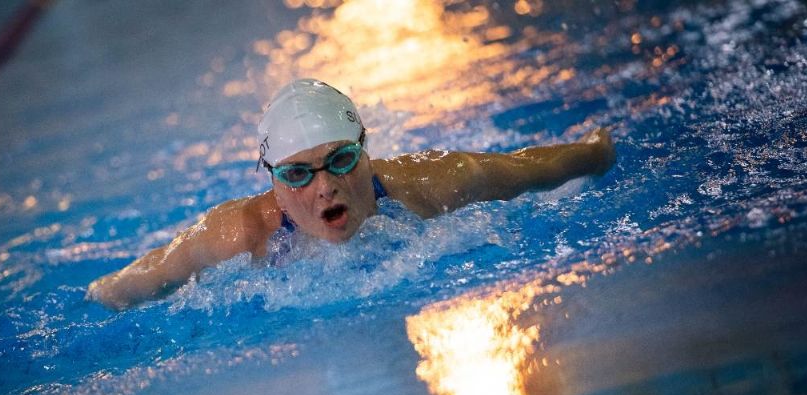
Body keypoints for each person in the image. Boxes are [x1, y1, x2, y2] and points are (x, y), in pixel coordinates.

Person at [88, 79, 616, 310]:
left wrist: (599, 152)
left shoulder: (432, 184)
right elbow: (137, 281)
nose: (325, 187)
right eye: (298, 174)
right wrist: (102, 294)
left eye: (340, 160)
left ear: (365, 150)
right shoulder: (239, 233)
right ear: (270, 178)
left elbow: (533, 168)